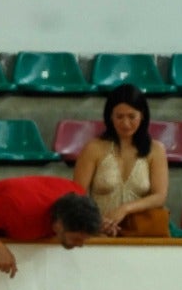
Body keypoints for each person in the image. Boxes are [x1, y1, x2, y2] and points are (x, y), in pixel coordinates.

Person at [72, 83, 171, 238]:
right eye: (119, 116)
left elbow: (159, 196)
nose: (125, 123)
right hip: (100, 233)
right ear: (110, 116)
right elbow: (78, 196)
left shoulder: (156, 150)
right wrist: (97, 222)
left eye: (132, 117)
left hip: (141, 235)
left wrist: (125, 209)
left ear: (142, 115)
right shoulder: (93, 148)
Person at [0, 176, 101, 278]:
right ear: (58, 225)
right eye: (76, 239)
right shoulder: (19, 210)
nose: (81, 245)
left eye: (85, 239)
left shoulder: (78, 194)